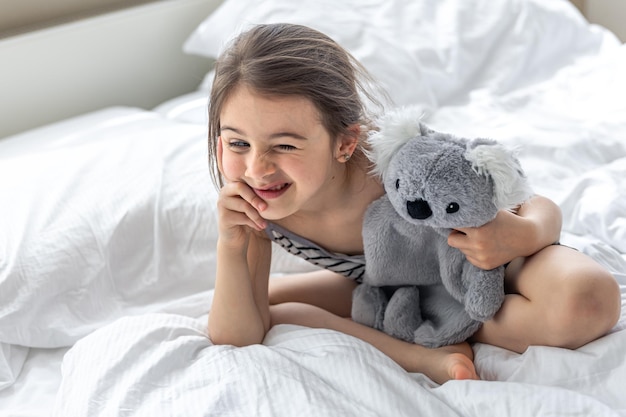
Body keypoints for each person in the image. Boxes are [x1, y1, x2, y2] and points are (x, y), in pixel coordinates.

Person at [206, 23, 621, 384]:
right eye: (238, 143)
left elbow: (534, 203)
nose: (257, 169)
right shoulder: (256, 205)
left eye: (284, 145)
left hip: (487, 266)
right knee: (268, 307)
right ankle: (421, 350)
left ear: (346, 143)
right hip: (397, 287)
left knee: (588, 300)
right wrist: (232, 244)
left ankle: (432, 321)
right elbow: (235, 334)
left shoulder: (396, 160)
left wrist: (523, 234)